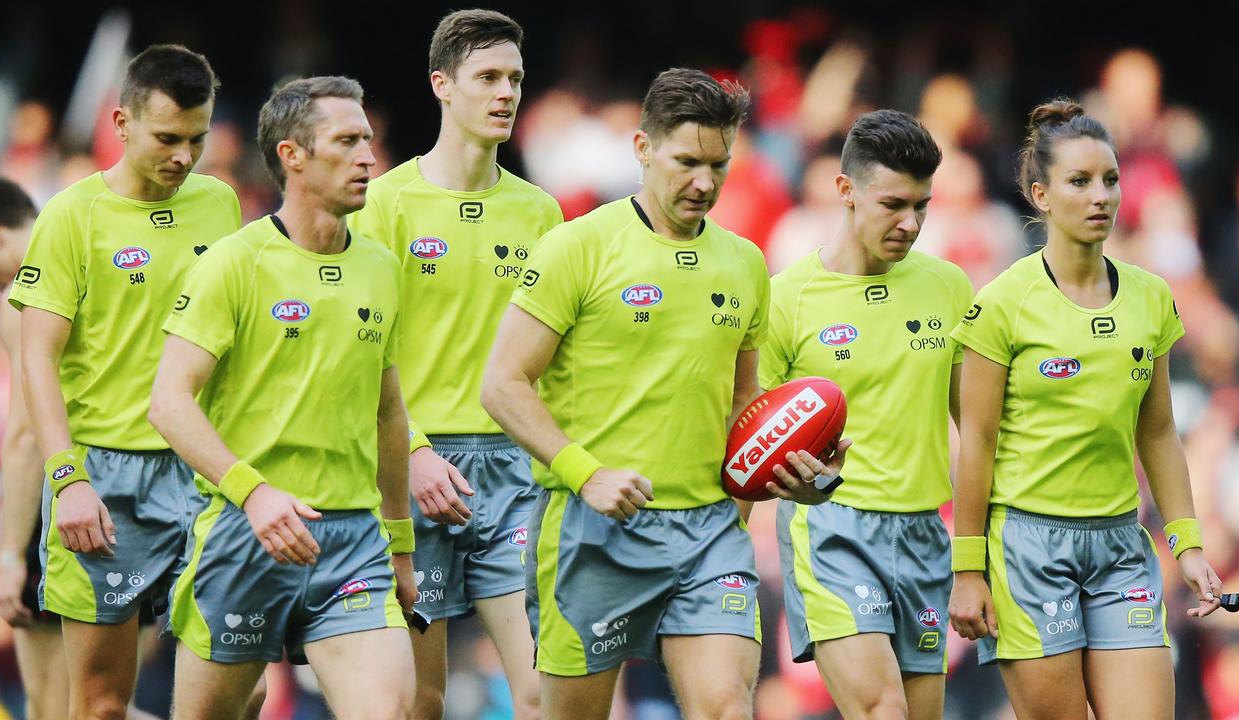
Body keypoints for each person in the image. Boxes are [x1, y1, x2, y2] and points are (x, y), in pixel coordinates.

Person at [481, 67, 846, 720]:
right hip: (593, 533)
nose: (704, 182)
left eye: (718, 164)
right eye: (686, 161)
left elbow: (743, 407)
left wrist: (799, 476)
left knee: (728, 708)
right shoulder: (576, 247)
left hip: (710, 534)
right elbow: (502, 384)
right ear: (643, 148)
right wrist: (585, 474)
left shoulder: (744, 264)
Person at [148, 75, 416, 720]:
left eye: (369, 141)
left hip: (353, 542)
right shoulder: (234, 263)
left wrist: (401, 543)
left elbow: (389, 411)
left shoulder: (381, 266)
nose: (368, 157)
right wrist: (254, 492)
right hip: (245, 535)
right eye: (347, 141)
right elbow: (168, 403)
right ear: (292, 156)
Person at [947, 99, 1225, 719]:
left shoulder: (1152, 298)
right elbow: (979, 443)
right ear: (1041, 195)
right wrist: (968, 569)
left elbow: (1157, 433)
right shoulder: (1002, 304)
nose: (1101, 196)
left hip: (1122, 544)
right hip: (1027, 547)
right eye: (1079, 182)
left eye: (1109, 179)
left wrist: (1189, 546)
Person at [7, 45, 242, 720]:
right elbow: (36, 359)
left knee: (242, 690)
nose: (183, 156)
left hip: (201, 475)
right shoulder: (71, 216)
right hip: (104, 482)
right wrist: (67, 478)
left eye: (197, 139)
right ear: (121, 123)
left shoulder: (222, 205)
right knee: (105, 705)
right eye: (167, 138)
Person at [348, 10, 562, 719]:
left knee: (541, 688)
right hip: (414, 468)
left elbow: (558, 363)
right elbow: (358, 354)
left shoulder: (542, 214)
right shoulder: (384, 204)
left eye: (516, 79)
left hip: (514, 473)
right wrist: (409, 452)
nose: (506, 93)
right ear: (442, 84)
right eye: (488, 77)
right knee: (422, 698)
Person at [760, 110, 970, 720]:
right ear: (845, 190)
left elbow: (979, 427)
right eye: (893, 204)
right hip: (831, 529)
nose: (910, 223)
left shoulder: (950, 288)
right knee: (882, 708)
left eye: (922, 206)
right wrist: (794, 481)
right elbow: (747, 433)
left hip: (926, 532)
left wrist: (981, 548)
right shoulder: (785, 299)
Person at [0, 176, 68, 720]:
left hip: (60, 509)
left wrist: (12, 556)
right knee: (102, 704)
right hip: (144, 493)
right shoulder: (94, 259)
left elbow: (24, 434)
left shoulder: (24, 296)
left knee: (54, 710)